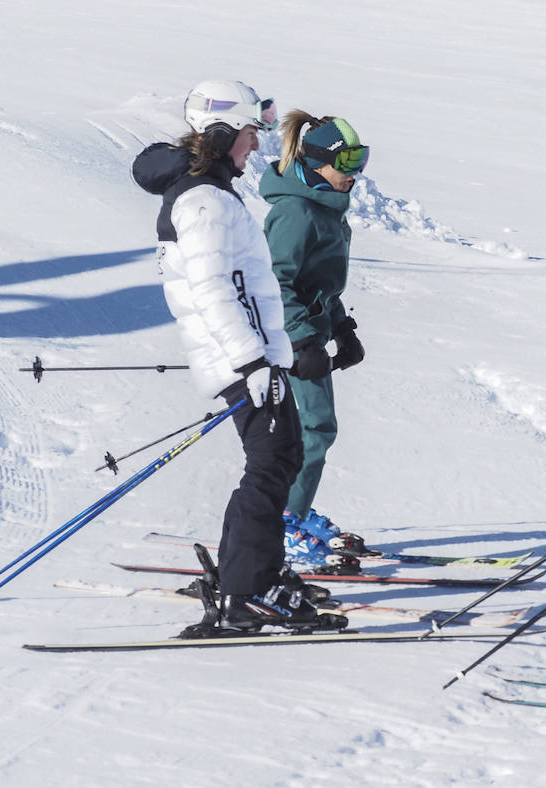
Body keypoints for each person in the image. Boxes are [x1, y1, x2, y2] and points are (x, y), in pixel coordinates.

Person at [131, 80, 342, 634]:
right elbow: (213, 290)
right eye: (251, 133)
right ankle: (245, 593)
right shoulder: (202, 199)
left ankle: (251, 576)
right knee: (271, 464)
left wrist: (276, 356)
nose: (257, 146)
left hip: (251, 356)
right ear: (224, 134)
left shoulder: (212, 192)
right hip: (239, 359)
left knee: (281, 458)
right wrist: (252, 363)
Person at [259, 111, 370, 570]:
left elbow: (317, 285)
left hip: (308, 339)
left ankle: (290, 512)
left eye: (361, 158)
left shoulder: (324, 208)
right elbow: (275, 284)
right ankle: (284, 525)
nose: (355, 172)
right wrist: (304, 341)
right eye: (346, 160)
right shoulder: (296, 212)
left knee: (308, 431)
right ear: (319, 161)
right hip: (288, 342)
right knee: (314, 429)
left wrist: (342, 328)